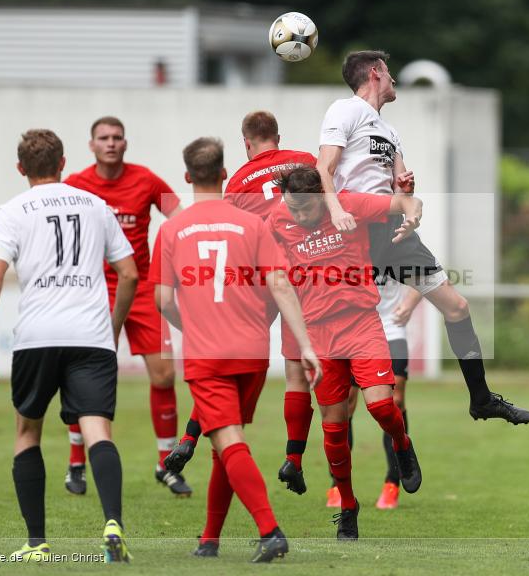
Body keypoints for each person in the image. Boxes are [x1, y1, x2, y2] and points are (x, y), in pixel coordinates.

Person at [315, 50, 529, 425]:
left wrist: (409, 202)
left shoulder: (389, 130)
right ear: (374, 73)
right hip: (356, 233)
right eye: (389, 72)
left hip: (393, 233)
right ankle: (307, 453)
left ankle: (481, 399)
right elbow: (325, 166)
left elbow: (402, 188)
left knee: (457, 307)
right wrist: (335, 211)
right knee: (347, 369)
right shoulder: (344, 110)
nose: (394, 80)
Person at [151, 137, 322, 561]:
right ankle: (209, 540)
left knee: (228, 440)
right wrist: (306, 346)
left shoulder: (172, 229)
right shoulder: (254, 224)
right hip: (252, 351)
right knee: (223, 444)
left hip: (208, 353)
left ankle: (270, 531)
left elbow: (162, 300)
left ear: (189, 176)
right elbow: (280, 285)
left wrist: (187, 324)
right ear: (226, 175)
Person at [0, 129, 138, 562]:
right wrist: (113, 327)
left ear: (20, 168)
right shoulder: (96, 205)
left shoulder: (12, 211)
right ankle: (113, 523)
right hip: (91, 337)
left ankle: (36, 542)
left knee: (28, 431)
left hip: (37, 336)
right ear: (64, 163)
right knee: (97, 429)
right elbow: (130, 273)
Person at [267, 166, 423, 540]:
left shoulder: (349, 204)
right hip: (318, 335)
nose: (298, 217)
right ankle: (348, 506)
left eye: (306, 210)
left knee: (383, 406)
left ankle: (402, 445)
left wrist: (413, 214)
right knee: (334, 426)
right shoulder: (277, 218)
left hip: (361, 323)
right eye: (293, 208)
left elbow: (406, 201)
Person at [64, 116, 191, 497]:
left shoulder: (146, 179)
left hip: (142, 290)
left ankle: (165, 464)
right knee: (84, 378)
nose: (111, 143)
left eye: (117, 137)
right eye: (103, 138)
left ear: (125, 143)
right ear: (92, 145)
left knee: (164, 375)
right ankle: (76, 464)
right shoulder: (75, 185)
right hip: (94, 291)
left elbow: (179, 217)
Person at [325, 279, 423, 510]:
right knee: (345, 402)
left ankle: (393, 482)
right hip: (353, 329)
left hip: (391, 328)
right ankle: (337, 484)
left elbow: (426, 273)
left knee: (395, 400)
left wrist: (409, 303)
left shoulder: (393, 243)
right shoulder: (345, 245)